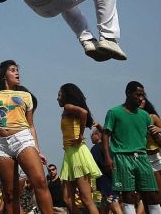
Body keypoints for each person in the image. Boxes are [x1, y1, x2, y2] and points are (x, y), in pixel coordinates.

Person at [0, 60, 53, 214]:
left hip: (22, 138)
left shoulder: (25, 96)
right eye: (12, 70)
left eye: (17, 70)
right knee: (10, 194)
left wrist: (37, 150)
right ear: (4, 74)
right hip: (0, 144)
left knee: (40, 181)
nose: (17, 73)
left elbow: (31, 125)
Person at [103, 81, 161, 214]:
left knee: (152, 195)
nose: (141, 98)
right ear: (128, 93)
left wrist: (157, 135)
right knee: (128, 196)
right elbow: (105, 135)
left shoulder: (145, 116)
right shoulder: (114, 112)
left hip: (142, 158)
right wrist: (108, 158)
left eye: (143, 95)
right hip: (122, 157)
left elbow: (157, 140)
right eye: (138, 95)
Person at [57, 83, 101, 214]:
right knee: (66, 198)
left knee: (86, 199)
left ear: (66, 96)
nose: (57, 98)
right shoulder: (67, 109)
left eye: (59, 95)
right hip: (69, 154)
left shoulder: (67, 106)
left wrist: (80, 135)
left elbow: (84, 112)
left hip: (77, 153)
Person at [90, 129, 122, 214]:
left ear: (98, 135)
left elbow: (92, 164)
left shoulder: (95, 148)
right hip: (114, 178)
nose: (91, 138)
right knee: (106, 202)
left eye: (92, 135)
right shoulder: (110, 147)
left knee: (112, 201)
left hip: (104, 180)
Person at [140, 97, 161, 205]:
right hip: (143, 158)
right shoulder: (133, 118)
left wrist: (159, 129)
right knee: (149, 194)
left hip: (157, 156)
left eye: (143, 98)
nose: (140, 100)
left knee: (158, 193)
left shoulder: (152, 117)